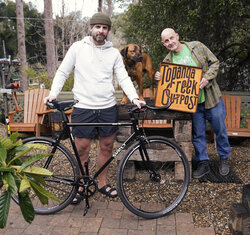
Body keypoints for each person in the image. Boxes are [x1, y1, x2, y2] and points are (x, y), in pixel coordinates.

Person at [44, 13, 145, 203]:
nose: (101, 30)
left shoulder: (114, 53)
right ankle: (82, 185)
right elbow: (63, 72)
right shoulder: (77, 48)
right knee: (82, 148)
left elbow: (123, 77)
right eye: (97, 27)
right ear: (90, 28)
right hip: (83, 107)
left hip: (107, 107)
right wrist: (53, 94)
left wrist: (134, 98)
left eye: (104, 28)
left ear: (108, 31)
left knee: (107, 147)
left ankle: (102, 183)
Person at [155, 28, 231, 178]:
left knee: (219, 128)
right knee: (198, 134)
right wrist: (159, 78)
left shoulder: (197, 46)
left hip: (211, 98)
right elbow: (167, 88)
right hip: (192, 104)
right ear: (163, 43)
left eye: (172, 38)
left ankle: (224, 158)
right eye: (166, 41)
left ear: (177, 36)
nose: (170, 42)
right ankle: (203, 163)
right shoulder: (167, 62)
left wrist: (207, 78)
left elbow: (215, 62)